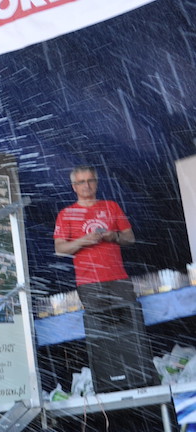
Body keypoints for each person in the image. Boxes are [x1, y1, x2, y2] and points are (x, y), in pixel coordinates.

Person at [53, 164, 152, 391]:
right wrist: (83, 241)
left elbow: (130, 238)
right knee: (101, 337)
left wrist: (112, 236)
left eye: (90, 180)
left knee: (131, 331)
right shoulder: (66, 214)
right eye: (81, 182)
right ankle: (109, 383)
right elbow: (60, 249)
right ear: (74, 187)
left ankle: (137, 378)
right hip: (89, 284)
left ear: (96, 183)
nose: (86, 186)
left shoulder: (111, 206)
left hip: (118, 279)